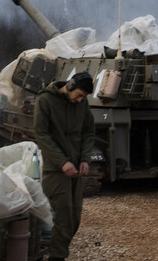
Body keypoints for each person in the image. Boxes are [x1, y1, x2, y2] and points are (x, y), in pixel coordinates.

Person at [33, 71, 95, 261]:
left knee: (74, 218)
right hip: (55, 170)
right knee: (64, 217)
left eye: (83, 97)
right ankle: (57, 257)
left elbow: (88, 132)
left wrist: (85, 159)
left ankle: (56, 252)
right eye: (79, 95)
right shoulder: (45, 100)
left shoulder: (82, 103)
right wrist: (62, 162)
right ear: (70, 86)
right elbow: (42, 134)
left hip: (75, 169)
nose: (80, 100)